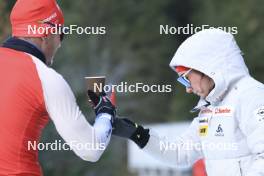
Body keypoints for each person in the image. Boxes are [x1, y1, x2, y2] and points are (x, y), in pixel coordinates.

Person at [113, 29, 264, 176]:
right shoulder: (210, 109)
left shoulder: (251, 96)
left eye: (186, 78)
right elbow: (180, 153)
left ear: (208, 67)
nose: (188, 89)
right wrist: (137, 134)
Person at [0, 0, 116, 175]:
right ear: (45, 34)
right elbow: (90, 149)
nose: (60, 43)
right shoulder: (46, 78)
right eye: (61, 34)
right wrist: (106, 114)